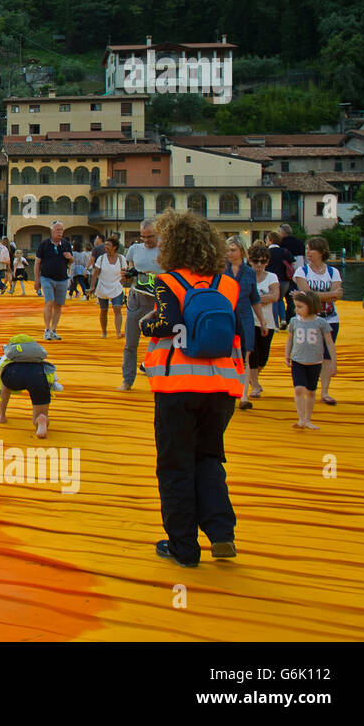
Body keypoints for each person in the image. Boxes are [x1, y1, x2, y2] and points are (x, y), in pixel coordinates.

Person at [140, 209, 244, 567]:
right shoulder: (227, 284)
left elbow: (167, 323)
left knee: (175, 464)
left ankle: (183, 546)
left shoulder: (165, 282)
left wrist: (145, 327)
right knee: (209, 458)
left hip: (178, 386)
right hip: (222, 387)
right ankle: (221, 533)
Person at [293, 236, 343, 405]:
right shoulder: (302, 271)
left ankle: (325, 391)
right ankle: (309, 388)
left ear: (321, 252)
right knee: (308, 353)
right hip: (307, 321)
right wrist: (329, 296)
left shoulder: (333, 272)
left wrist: (315, 296)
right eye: (306, 249)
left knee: (327, 354)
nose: (308, 253)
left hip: (330, 319)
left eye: (311, 249)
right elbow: (306, 294)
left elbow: (338, 293)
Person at [0, 334, 62, 440]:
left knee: (4, 382)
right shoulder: (39, 360)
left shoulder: (6, 357)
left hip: (13, 375)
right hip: (38, 374)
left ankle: (1, 415)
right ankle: (40, 419)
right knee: (41, 413)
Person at [120, 219, 163, 391]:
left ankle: (159, 378)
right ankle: (127, 380)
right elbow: (128, 272)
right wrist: (127, 275)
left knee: (160, 343)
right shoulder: (134, 250)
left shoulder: (165, 251)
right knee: (130, 343)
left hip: (159, 301)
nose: (146, 240)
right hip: (137, 299)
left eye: (150, 236)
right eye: (143, 237)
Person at [286, 290, 332, 430]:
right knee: (299, 389)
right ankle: (300, 419)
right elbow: (290, 339)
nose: (296, 310)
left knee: (311, 391)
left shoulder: (321, 323)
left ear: (310, 306)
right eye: (296, 306)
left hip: (315, 361)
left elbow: (329, 343)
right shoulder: (294, 321)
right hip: (298, 360)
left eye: (300, 307)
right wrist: (287, 355)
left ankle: (308, 419)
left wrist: (333, 362)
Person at [224, 236, 260, 410]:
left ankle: (244, 394)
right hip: (225, 315)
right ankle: (227, 389)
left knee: (245, 354)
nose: (229, 253)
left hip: (245, 316)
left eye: (233, 250)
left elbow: (255, 298)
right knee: (225, 353)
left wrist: (263, 319)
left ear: (241, 251)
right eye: (228, 250)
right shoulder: (220, 270)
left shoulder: (250, 272)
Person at [247, 241, 279, 402]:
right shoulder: (246, 276)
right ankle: (255, 385)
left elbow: (275, 295)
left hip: (267, 321)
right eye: (256, 261)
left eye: (263, 261)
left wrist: (254, 299)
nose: (259, 265)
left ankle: (253, 378)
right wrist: (260, 300)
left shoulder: (271, 276)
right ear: (250, 261)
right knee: (252, 353)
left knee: (263, 358)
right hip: (249, 320)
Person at [36, 221, 74, 340]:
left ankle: (53, 330)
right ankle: (46, 329)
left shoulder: (66, 244)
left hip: (62, 278)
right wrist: (37, 280)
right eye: (57, 230)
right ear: (51, 231)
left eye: (61, 230)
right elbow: (37, 263)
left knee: (58, 305)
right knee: (49, 301)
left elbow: (71, 261)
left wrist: (70, 258)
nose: (59, 232)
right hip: (47, 277)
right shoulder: (44, 244)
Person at [90, 235, 125, 338]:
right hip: (103, 286)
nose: (105, 247)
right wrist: (92, 286)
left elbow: (124, 272)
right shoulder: (101, 258)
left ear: (114, 247)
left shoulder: (121, 258)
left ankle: (118, 332)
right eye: (105, 245)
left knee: (117, 308)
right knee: (103, 310)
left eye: (108, 245)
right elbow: (96, 273)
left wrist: (121, 283)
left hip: (116, 287)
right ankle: (104, 332)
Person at [263, 230, 293, 329]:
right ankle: (283, 319)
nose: (265, 241)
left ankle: (275, 323)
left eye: (266, 239)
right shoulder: (285, 251)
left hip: (271, 280)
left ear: (270, 240)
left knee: (273, 300)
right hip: (285, 280)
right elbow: (292, 263)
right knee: (280, 299)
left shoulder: (266, 252)